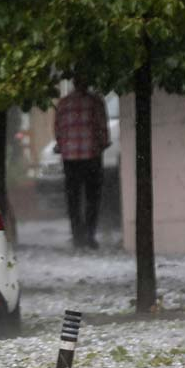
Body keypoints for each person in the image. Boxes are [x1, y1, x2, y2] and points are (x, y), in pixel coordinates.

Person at [54, 76, 111, 249]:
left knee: (73, 198)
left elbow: (57, 130)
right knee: (92, 197)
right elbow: (102, 128)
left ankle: (77, 235)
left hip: (70, 158)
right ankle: (90, 235)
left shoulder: (63, 103)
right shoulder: (95, 102)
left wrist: (62, 146)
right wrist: (103, 144)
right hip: (91, 155)